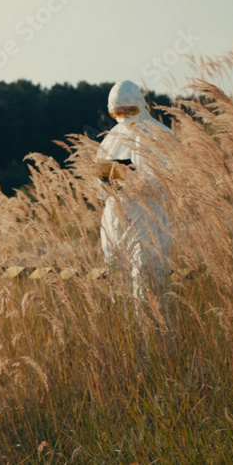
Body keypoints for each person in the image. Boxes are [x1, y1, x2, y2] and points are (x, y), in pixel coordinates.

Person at [95, 79, 174, 302]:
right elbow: (98, 182)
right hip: (115, 218)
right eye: (117, 113)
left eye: (129, 111)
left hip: (147, 218)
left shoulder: (160, 135)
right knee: (119, 287)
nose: (123, 117)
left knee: (147, 282)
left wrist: (133, 179)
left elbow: (169, 179)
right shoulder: (111, 139)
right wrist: (105, 180)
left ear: (140, 106)